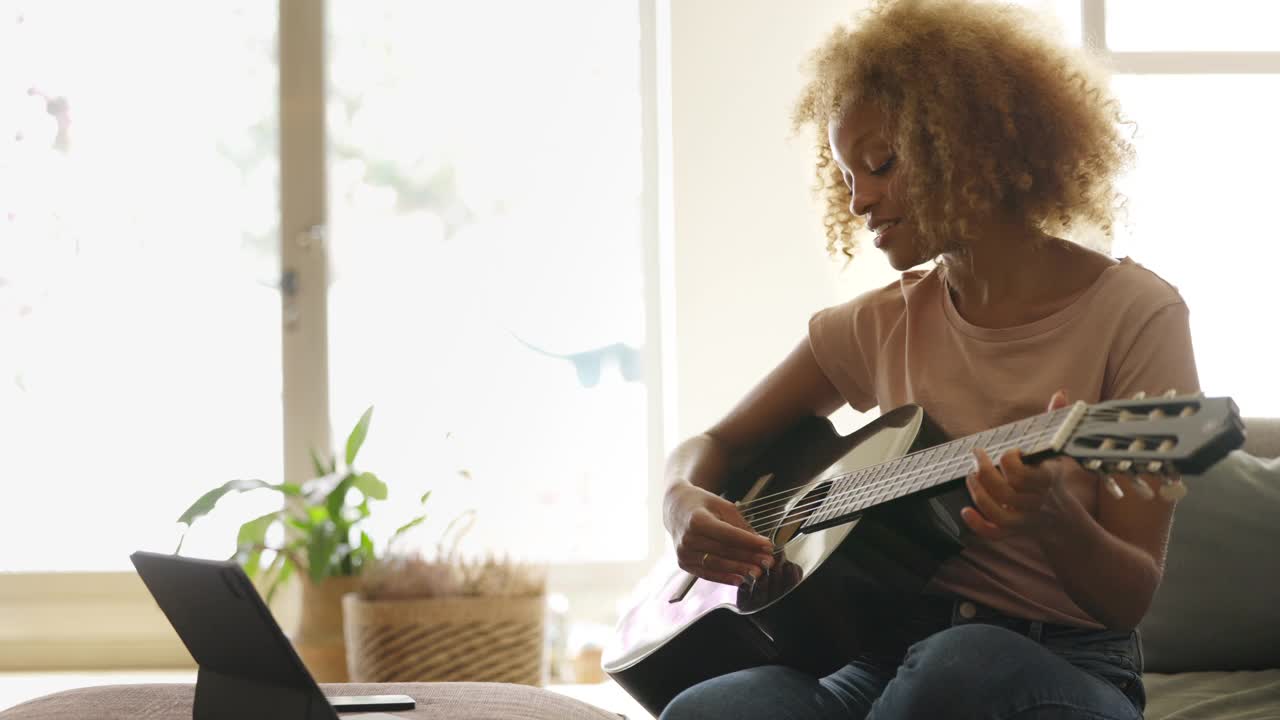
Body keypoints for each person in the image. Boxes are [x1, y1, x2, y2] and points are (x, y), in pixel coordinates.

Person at [658, 1, 1200, 718]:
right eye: (847, 175)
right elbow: (716, 443)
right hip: (884, 658)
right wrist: (680, 502)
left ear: (967, 143)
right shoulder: (880, 323)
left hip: (1064, 661)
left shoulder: (1139, 315)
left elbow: (1128, 600)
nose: (858, 201)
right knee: (713, 709)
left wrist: (1054, 518)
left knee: (955, 671)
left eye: (879, 165)